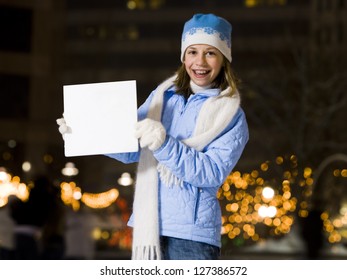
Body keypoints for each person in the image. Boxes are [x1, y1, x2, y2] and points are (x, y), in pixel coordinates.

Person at [57, 13, 249, 260]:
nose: (200, 61)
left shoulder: (231, 114)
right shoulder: (162, 98)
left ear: (223, 59)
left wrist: (164, 144)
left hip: (191, 238)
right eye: (192, 52)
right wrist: (82, 130)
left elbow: (210, 172)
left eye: (210, 52)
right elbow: (129, 146)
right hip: (148, 227)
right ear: (183, 57)